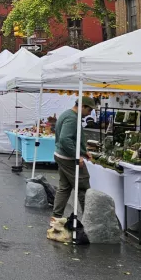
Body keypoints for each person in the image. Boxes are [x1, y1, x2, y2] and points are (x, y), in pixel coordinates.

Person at [48, 97, 96, 242]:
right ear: (83, 106)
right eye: (90, 110)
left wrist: (83, 151)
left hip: (61, 155)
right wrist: (77, 156)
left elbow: (68, 139)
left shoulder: (67, 114)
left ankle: (55, 220)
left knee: (64, 188)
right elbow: (65, 139)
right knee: (83, 187)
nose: (90, 113)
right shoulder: (72, 119)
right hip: (68, 158)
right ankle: (89, 222)